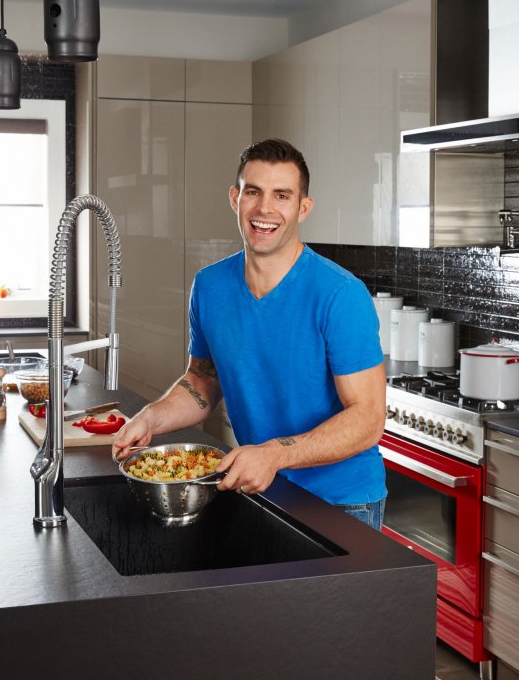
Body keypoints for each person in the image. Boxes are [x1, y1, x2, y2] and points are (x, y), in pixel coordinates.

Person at [113, 138, 387, 528]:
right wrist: (151, 419)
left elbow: (368, 419)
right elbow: (203, 382)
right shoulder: (209, 287)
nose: (264, 209)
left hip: (342, 502)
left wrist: (274, 453)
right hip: (260, 488)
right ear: (234, 198)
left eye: (282, 195)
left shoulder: (340, 294)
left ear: (303, 208)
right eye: (253, 192)